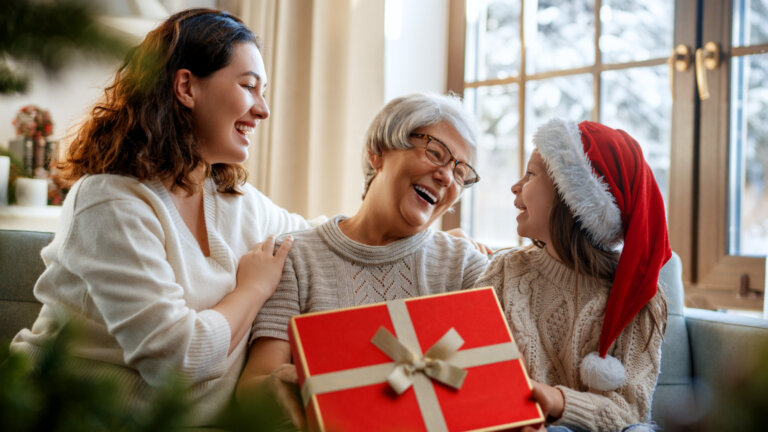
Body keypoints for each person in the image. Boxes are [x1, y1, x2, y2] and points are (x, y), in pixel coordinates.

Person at [10, 9, 311, 426]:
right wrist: (252, 289)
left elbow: (324, 238)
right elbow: (177, 360)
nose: (264, 110)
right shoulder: (108, 202)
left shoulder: (233, 201)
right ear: (186, 86)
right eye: (249, 87)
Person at [235, 93, 491, 426]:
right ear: (378, 153)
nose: (446, 176)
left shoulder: (464, 266)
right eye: (435, 153)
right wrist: (316, 381)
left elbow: (493, 384)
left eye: (460, 172)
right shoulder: (294, 257)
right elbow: (253, 385)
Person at [476, 119, 670, 432]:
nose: (515, 186)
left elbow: (629, 412)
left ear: (571, 197)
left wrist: (556, 401)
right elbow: (475, 374)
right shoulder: (503, 273)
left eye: (530, 174)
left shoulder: (640, 301)